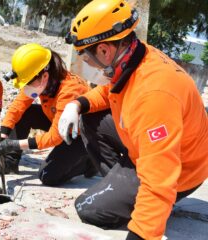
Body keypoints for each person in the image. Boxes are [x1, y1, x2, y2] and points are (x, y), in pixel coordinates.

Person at [58, 0, 208, 239]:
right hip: (149, 147)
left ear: (105, 50)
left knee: (89, 209)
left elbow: (160, 179)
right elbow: (110, 90)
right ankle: (123, 187)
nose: (84, 66)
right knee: (89, 119)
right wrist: (77, 105)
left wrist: (141, 233)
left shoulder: (153, 94)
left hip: (181, 170)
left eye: (85, 59)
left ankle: (131, 196)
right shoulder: (134, 55)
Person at [0, 43, 98, 186]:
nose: (25, 88)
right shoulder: (40, 79)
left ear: (45, 76)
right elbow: (17, 107)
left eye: (27, 83)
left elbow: (55, 137)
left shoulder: (70, 90)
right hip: (57, 120)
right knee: (26, 113)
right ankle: (10, 163)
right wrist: (2, 137)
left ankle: (89, 162)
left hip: (79, 134)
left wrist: (15, 144)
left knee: (48, 176)